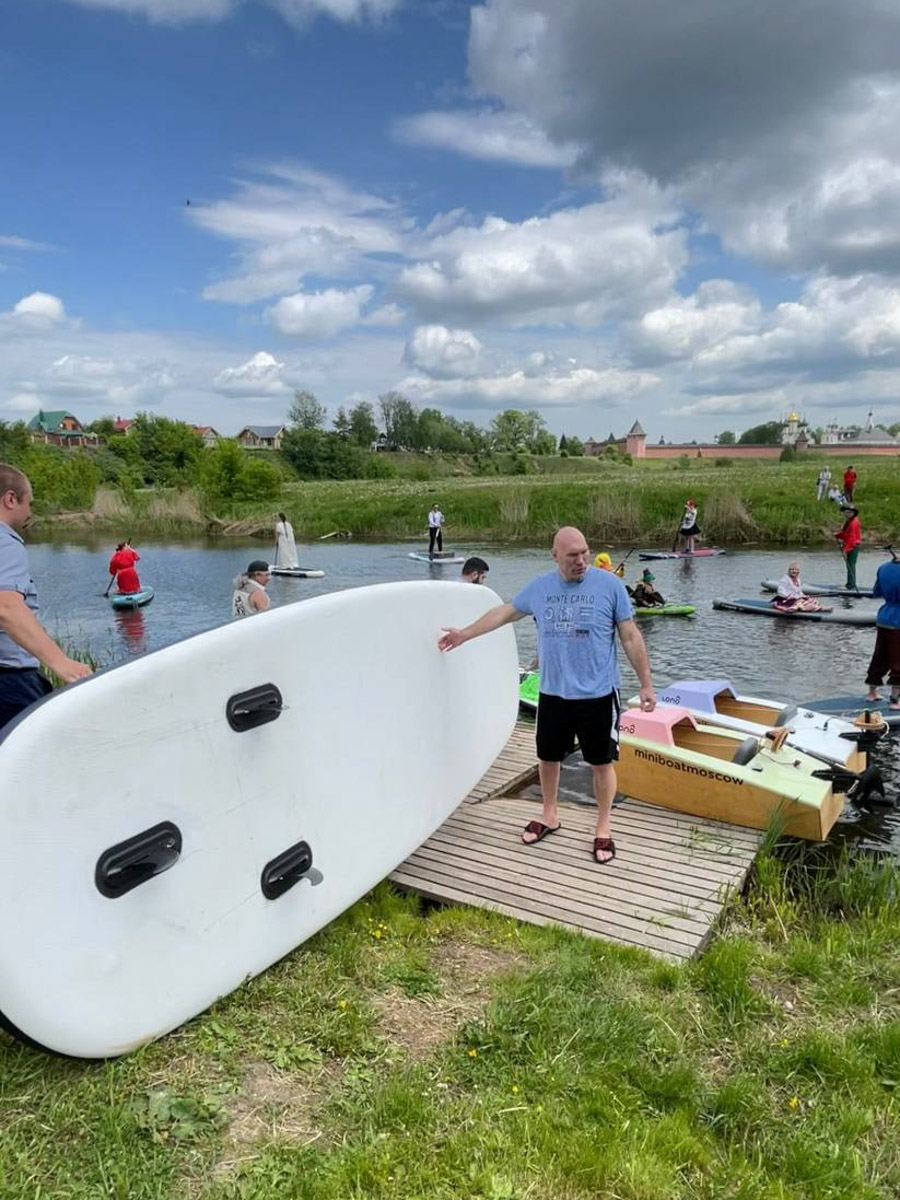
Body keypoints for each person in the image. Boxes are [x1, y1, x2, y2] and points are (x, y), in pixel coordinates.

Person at [438, 526, 656, 865]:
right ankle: (549, 814)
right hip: (553, 693)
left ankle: (603, 827)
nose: (581, 561)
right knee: (548, 758)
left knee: (601, 763)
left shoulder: (610, 586)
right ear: (555, 556)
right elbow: (505, 613)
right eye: (573, 556)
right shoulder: (540, 588)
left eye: (584, 553)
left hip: (598, 694)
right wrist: (464, 634)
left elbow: (630, 636)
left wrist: (646, 684)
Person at [0, 463, 92, 732]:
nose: (30, 512)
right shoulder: (4, 541)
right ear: (10, 499)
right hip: (10, 683)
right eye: (29, 503)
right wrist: (60, 662)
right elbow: (6, 606)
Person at [865, 551, 900, 709]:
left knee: (880, 655)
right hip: (898, 619)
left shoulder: (883, 568)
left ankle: (872, 693)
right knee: (898, 659)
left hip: (884, 616)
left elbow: (877, 592)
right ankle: (895, 700)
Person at [835, 507, 861, 590]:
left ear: (853, 513)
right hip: (850, 545)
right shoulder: (849, 521)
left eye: (849, 512)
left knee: (851, 565)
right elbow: (846, 534)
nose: (847, 514)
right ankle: (849, 584)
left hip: (853, 546)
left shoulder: (854, 523)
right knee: (849, 565)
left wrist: (846, 550)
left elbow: (852, 538)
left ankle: (851, 585)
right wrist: (838, 535)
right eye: (846, 512)